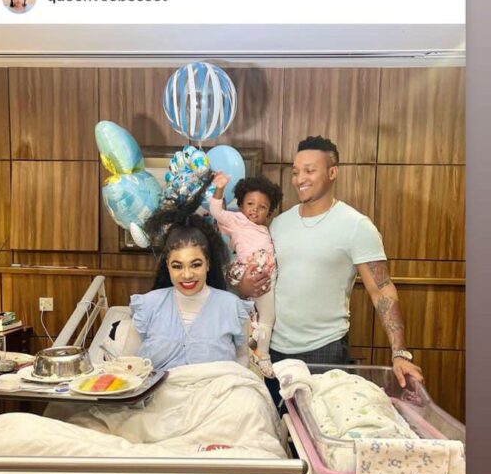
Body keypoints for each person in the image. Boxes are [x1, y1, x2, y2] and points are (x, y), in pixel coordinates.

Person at [237, 135, 424, 398]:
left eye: (309, 170)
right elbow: (260, 278)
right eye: (295, 172)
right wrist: (244, 286)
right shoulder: (278, 224)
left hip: (325, 349)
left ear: (332, 172)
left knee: (320, 422)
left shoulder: (356, 226)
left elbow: (382, 290)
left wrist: (400, 353)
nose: (299, 179)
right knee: (274, 421)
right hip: (273, 350)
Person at [129, 186, 253, 373]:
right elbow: (127, 364)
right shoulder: (148, 306)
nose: (187, 275)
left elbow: (242, 357)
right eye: (177, 266)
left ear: (208, 264)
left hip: (219, 390)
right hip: (160, 391)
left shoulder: (232, 307)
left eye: (195, 264)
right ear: (167, 266)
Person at [209, 172, 282, 378]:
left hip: (266, 278)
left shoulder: (267, 230)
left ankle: (260, 355)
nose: (255, 210)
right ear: (241, 205)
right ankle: (249, 357)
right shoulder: (237, 220)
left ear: (269, 213)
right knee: (241, 319)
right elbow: (215, 211)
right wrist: (220, 187)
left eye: (262, 207)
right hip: (245, 272)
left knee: (266, 318)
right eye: (250, 204)